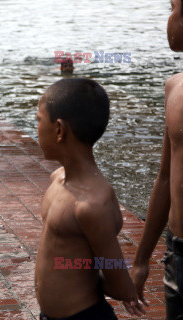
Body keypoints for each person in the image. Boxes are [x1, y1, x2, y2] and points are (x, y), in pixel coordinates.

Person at [34, 78, 146, 319]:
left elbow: (116, 276)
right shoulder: (57, 178)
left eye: (38, 121)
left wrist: (126, 288)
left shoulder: (92, 204)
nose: (36, 128)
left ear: (59, 130)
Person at [131, 0, 183, 318]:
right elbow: (165, 178)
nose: (169, 20)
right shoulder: (174, 88)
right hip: (179, 252)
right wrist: (141, 260)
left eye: (172, 9)